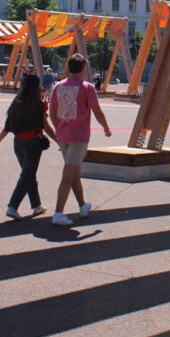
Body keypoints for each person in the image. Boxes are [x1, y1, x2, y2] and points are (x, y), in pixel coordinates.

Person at [48, 54, 112, 226]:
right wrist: (106, 127)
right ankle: (58, 213)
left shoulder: (58, 86)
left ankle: (82, 206)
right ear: (83, 68)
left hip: (63, 136)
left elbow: (52, 112)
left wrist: (59, 128)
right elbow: (97, 111)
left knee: (74, 172)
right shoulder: (87, 87)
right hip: (79, 137)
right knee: (68, 175)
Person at [0, 73, 55, 220]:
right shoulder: (38, 104)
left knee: (29, 174)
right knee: (26, 176)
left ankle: (37, 206)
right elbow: (47, 128)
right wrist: (60, 142)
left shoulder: (17, 102)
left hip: (18, 143)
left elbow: (7, 126)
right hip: (32, 143)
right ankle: (12, 207)